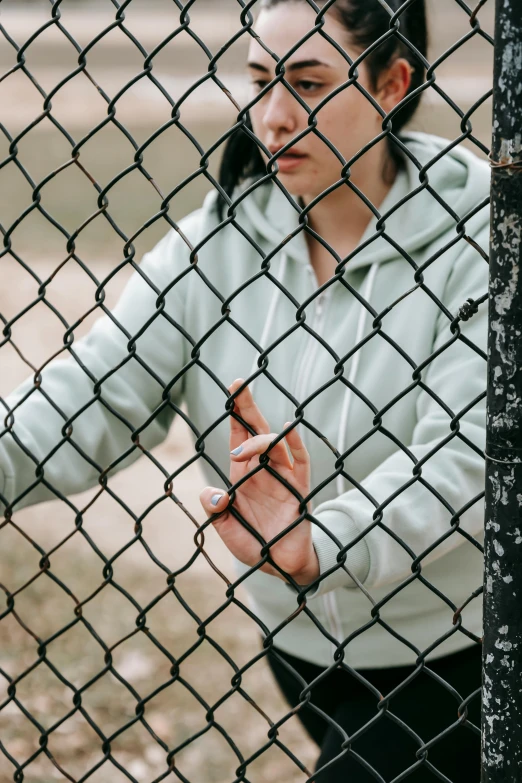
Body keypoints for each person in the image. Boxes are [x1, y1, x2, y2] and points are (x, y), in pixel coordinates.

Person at [0, 0, 489, 780]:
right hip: (299, 649)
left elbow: (466, 455)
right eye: (261, 78)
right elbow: (92, 390)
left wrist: (320, 543)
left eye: (308, 82)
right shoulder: (221, 237)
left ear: (393, 82)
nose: (273, 116)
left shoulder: (478, 237)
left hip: (459, 651)